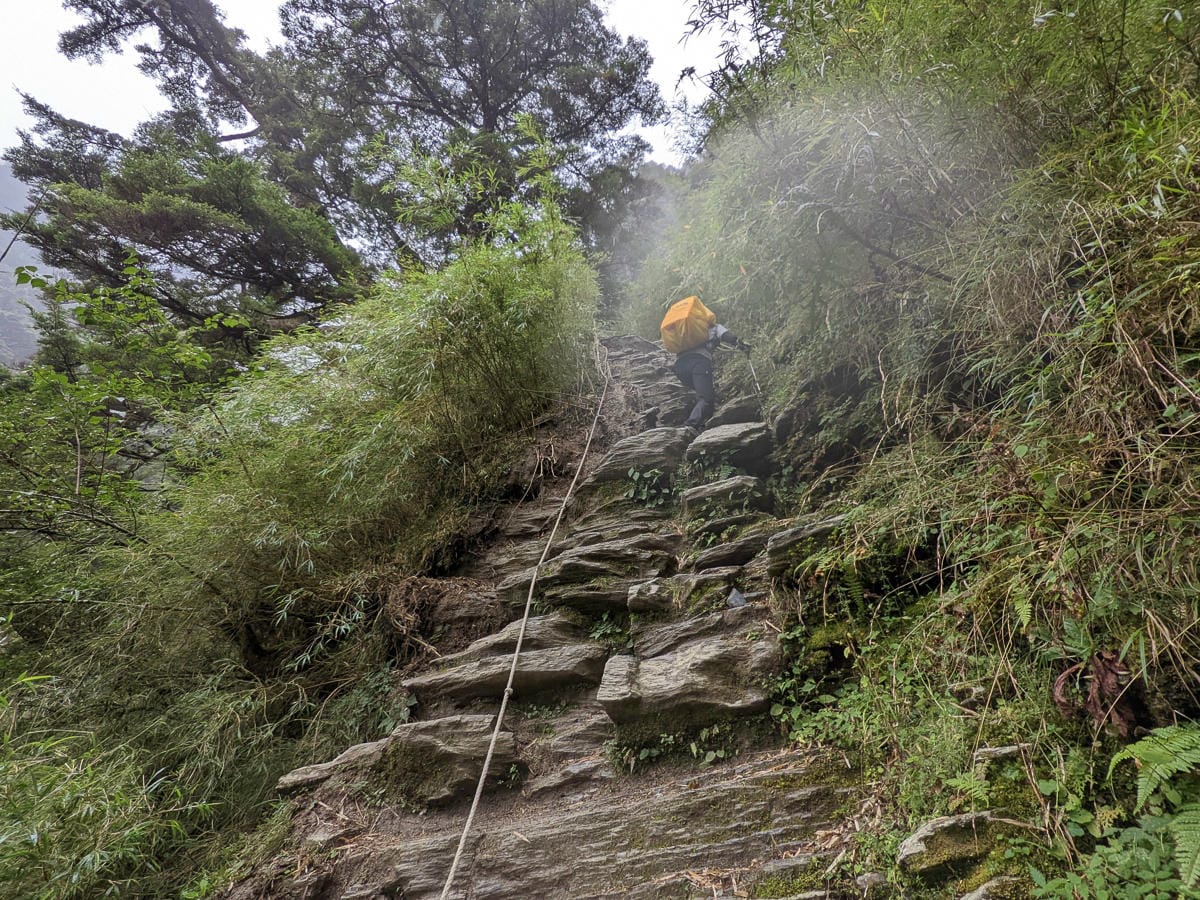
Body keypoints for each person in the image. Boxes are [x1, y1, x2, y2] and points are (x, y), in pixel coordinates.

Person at [673, 321, 751, 432]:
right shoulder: (712, 326)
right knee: (706, 397)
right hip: (698, 362)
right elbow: (728, 337)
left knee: (705, 394)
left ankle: (704, 424)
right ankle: (690, 425)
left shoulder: (683, 330)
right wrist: (742, 346)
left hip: (680, 366)